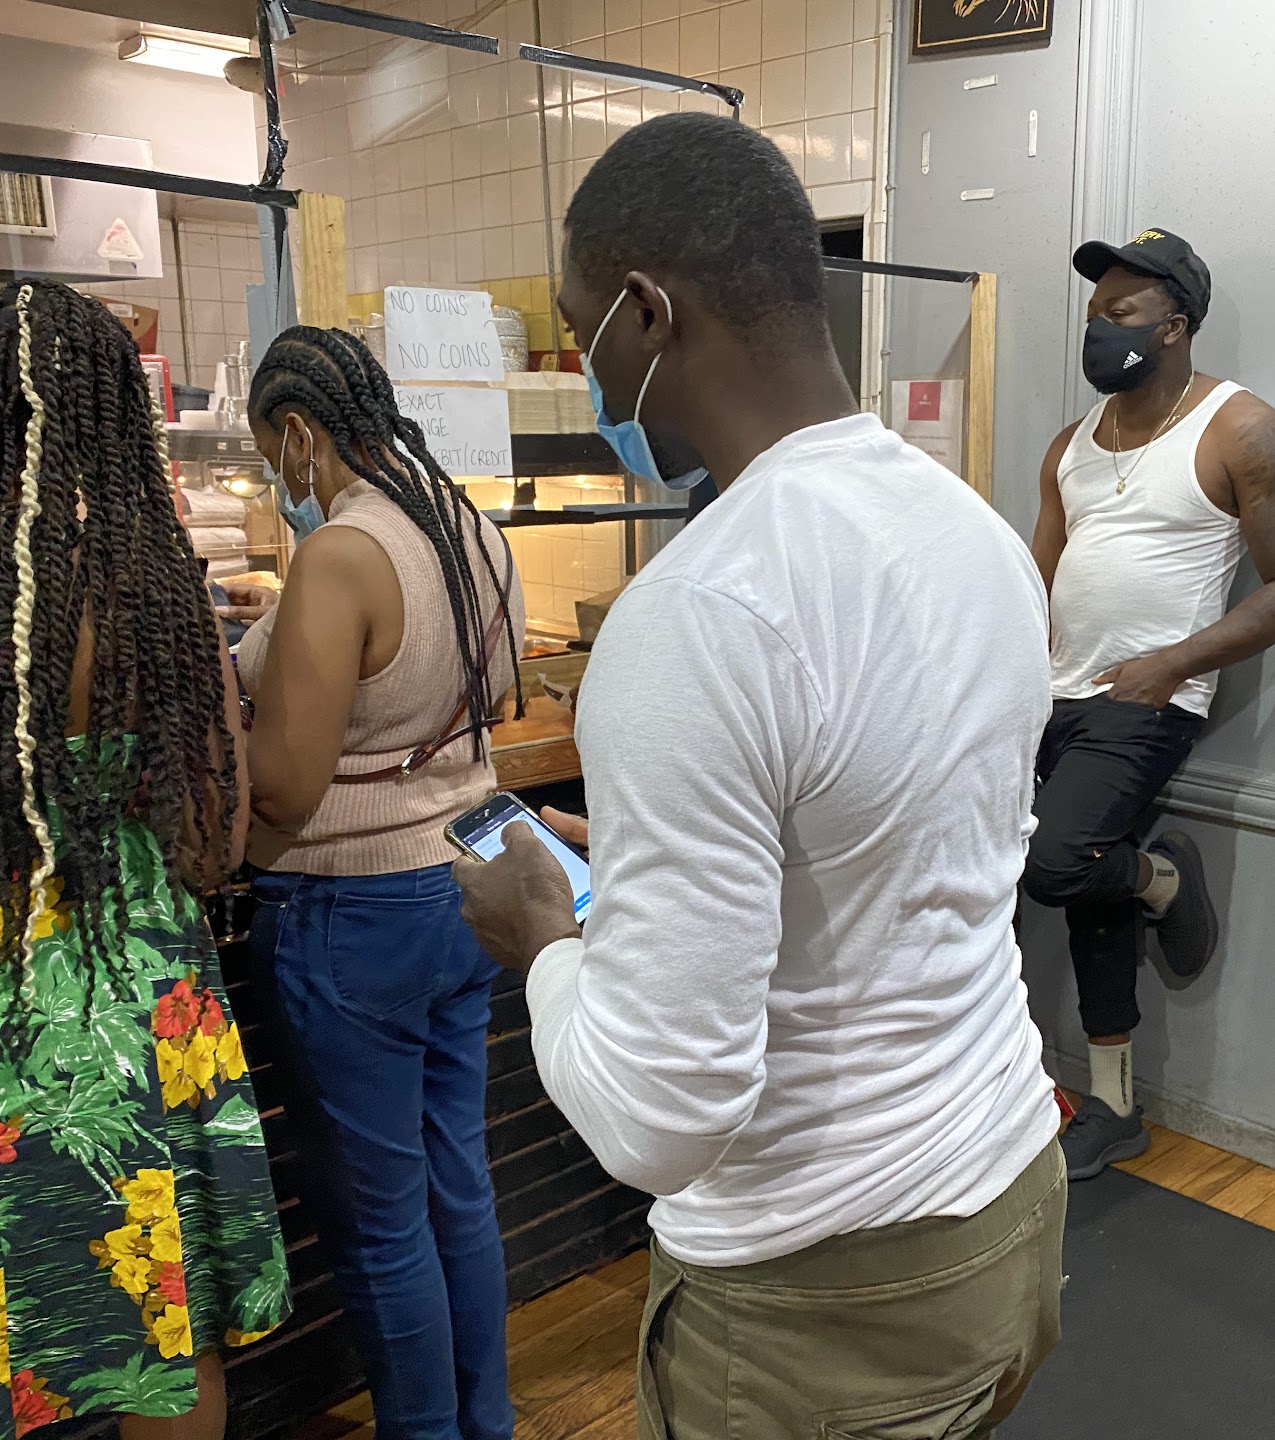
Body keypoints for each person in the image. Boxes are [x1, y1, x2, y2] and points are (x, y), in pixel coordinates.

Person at [452, 113, 1066, 1440]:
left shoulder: (697, 614)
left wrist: (542, 945)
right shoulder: (973, 533)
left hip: (821, 1296)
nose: (589, 376)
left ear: (646, 312)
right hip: (1008, 1193)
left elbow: (659, 1121)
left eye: (582, 334)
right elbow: (886, 842)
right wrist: (670, 869)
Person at [0, 282, 289, 1439]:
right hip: (122, 995)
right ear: (118, 417)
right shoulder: (146, 581)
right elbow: (215, 843)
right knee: (164, 1333)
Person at [238, 326, 525, 1440]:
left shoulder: (342, 554)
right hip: (465, 882)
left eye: (271, 456)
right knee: (460, 1184)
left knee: (381, 1223)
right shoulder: (466, 525)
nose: (277, 480)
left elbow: (283, 788)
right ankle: (483, 1423)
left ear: (299, 433)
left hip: (352, 912)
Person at [1026, 229, 1275, 1175]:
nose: (1099, 328)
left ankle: (1162, 877)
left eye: (1121, 311)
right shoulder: (1072, 445)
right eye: (1093, 313)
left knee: (1057, 863)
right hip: (1051, 696)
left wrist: (1171, 665)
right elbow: (1038, 578)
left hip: (1148, 700)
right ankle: (1115, 1106)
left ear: (1175, 324)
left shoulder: (1241, 429)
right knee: (1087, 885)